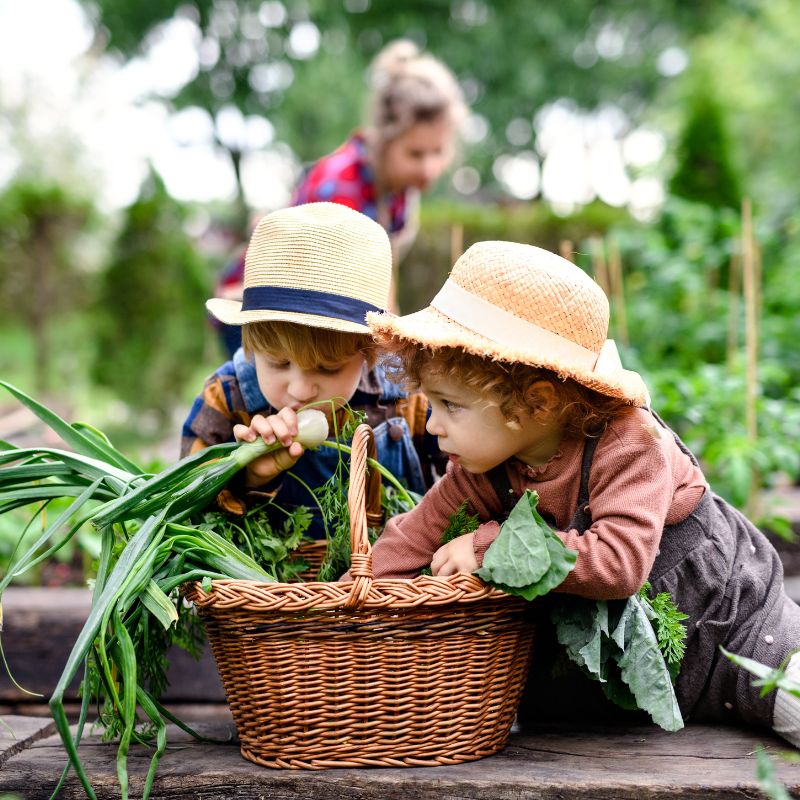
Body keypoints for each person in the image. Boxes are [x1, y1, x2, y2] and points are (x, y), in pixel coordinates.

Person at [350, 239, 800, 746]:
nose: (432, 425)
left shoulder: (630, 442)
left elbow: (619, 564)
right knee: (556, 728)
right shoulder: (480, 468)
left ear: (536, 404)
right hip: (615, 683)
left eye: (450, 406)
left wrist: (492, 547)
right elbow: (409, 540)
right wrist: (345, 611)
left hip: (729, 625)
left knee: (791, 698)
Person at [182, 202, 443, 539]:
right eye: (278, 363)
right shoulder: (227, 399)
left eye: (328, 368)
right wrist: (249, 476)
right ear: (251, 346)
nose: (301, 390)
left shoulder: (407, 395)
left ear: (369, 353)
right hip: (271, 592)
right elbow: (188, 512)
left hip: (394, 588)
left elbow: (468, 481)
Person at [213, 38, 467, 358]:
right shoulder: (339, 186)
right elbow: (336, 291)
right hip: (260, 311)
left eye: (438, 152)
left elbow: (381, 275)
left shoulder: (398, 191)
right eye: (415, 153)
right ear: (385, 139)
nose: (429, 168)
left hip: (319, 312)